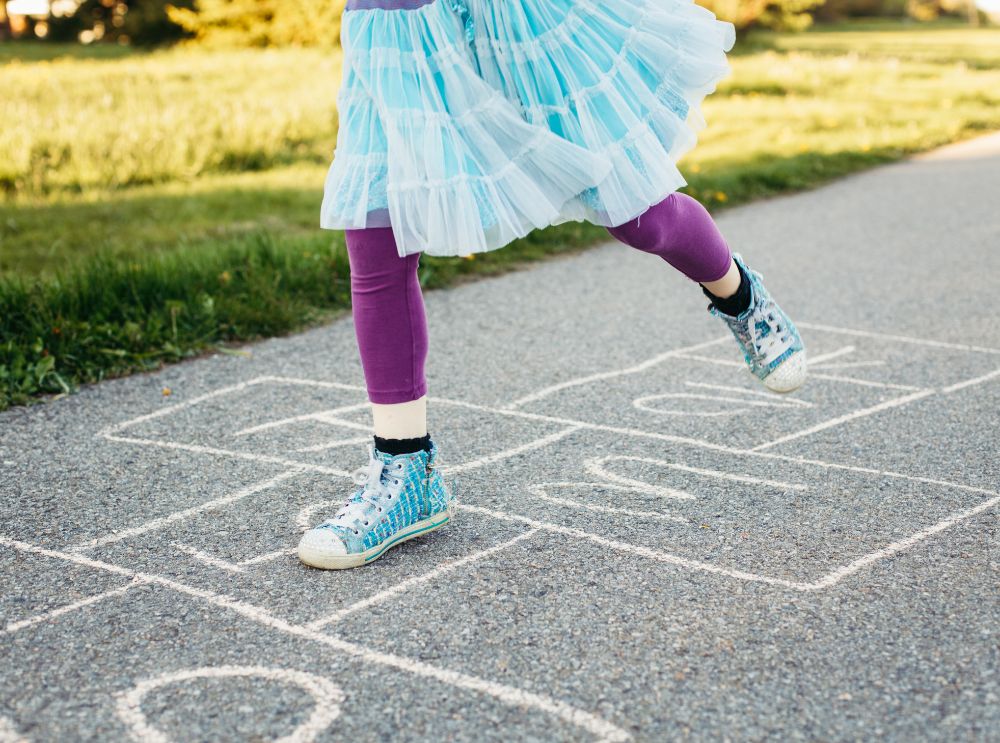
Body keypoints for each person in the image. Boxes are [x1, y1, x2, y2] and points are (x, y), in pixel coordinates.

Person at [297, 0, 806, 570]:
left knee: (641, 216)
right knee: (375, 234)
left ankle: (739, 296)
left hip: (511, 19)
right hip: (394, 28)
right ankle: (406, 471)